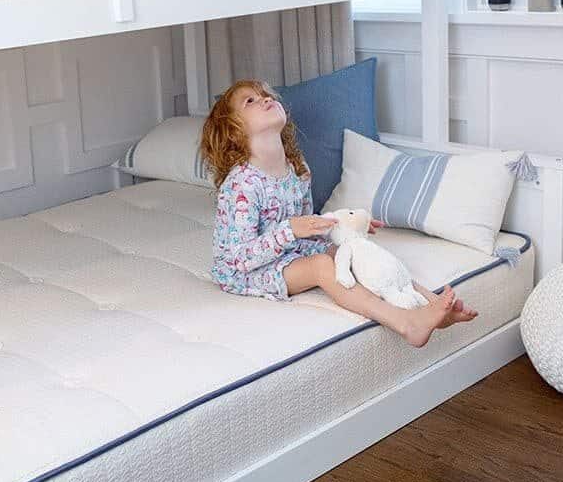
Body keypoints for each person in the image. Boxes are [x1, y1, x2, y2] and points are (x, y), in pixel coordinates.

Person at [200, 79, 478, 348]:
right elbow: (239, 259)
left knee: (355, 248)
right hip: (244, 272)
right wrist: (289, 231)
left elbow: (307, 231)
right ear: (233, 130)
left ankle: (432, 304)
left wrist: (341, 227)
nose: (266, 99)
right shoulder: (241, 186)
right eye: (251, 100)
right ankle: (406, 322)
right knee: (322, 266)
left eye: (266, 95)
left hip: (288, 255)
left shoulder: (297, 169)